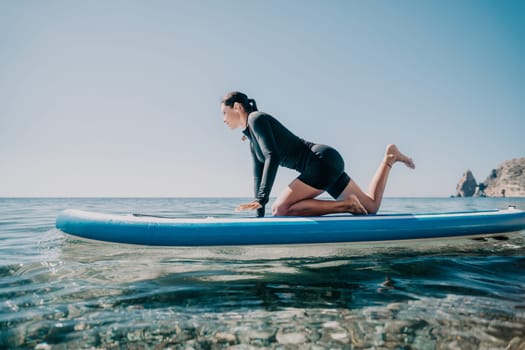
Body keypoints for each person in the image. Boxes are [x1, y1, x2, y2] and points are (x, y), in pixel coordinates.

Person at [221, 91, 415, 217]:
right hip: (325, 164)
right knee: (370, 209)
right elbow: (258, 176)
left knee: (281, 209)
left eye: (224, 113)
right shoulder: (251, 138)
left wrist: (262, 199)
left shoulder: (257, 119)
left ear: (237, 107)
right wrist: (259, 216)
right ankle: (389, 159)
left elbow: (273, 156)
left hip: (320, 162)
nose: (223, 119)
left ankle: (347, 205)